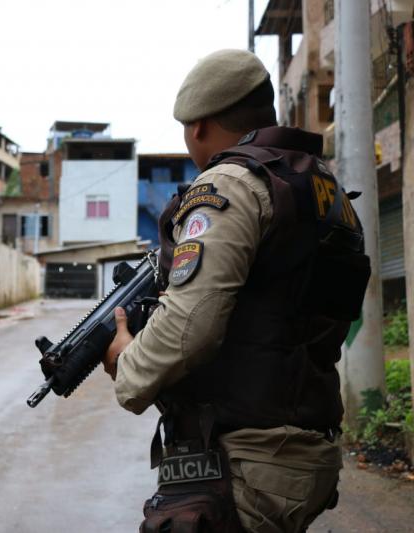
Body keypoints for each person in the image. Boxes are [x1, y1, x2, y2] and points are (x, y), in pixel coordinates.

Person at [103, 49, 370, 532]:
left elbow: (191, 325)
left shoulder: (230, 184)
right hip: (302, 448)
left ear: (198, 125)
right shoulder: (323, 187)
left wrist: (128, 362)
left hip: (251, 460)